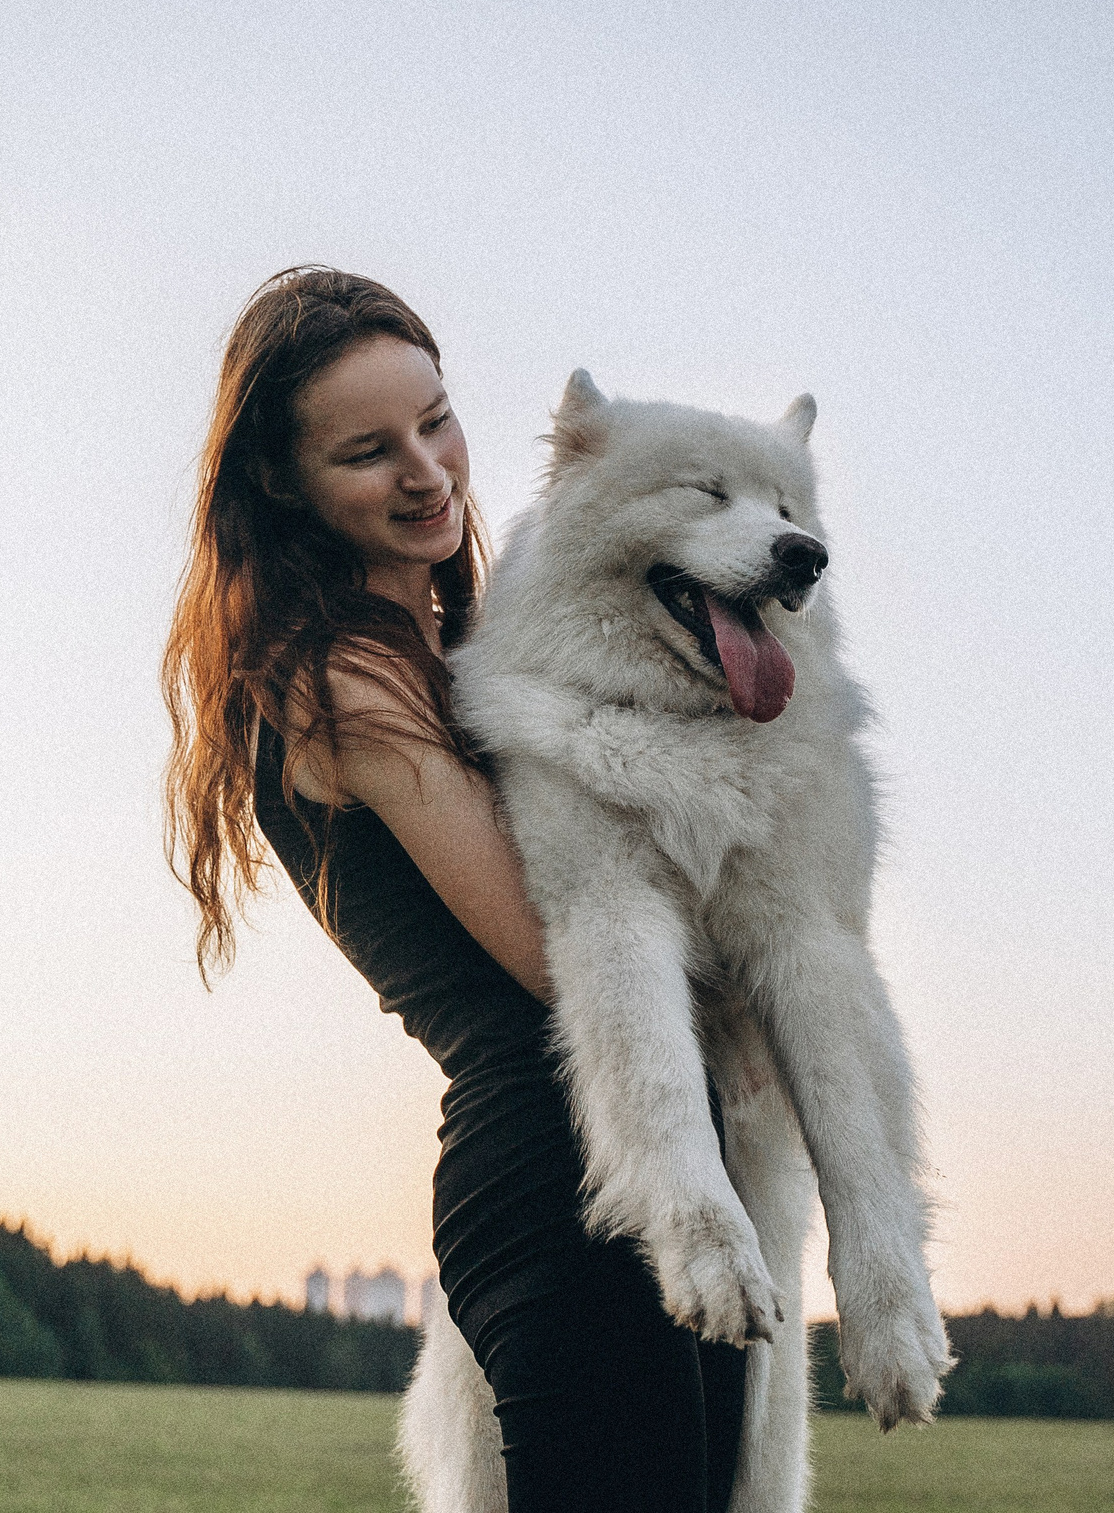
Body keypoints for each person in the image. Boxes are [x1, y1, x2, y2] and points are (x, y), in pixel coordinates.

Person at [161, 267, 745, 1512]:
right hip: (558, 1178)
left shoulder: (468, 647)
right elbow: (558, 952)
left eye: (437, 419)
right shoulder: (344, 684)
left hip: (655, 1158)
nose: (427, 470)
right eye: (369, 451)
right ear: (280, 482)